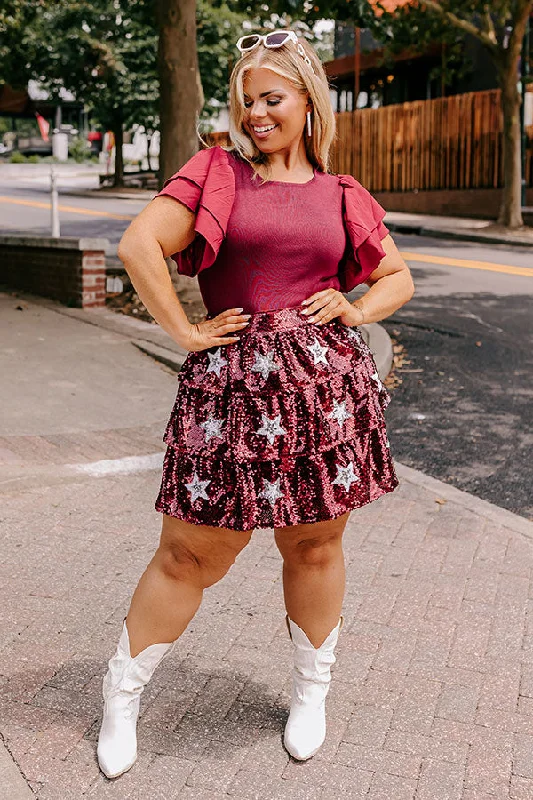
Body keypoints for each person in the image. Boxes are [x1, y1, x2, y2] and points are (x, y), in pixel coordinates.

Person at [96, 29, 414, 779]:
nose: (255, 114)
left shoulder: (343, 193)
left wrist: (358, 309)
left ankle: (311, 691)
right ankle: (123, 693)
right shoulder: (216, 173)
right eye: (244, 101)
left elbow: (395, 276)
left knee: (313, 545)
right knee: (188, 552)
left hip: (324, 400)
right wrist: (183, 331)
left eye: (271, 98)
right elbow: (140, 244)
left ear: (308, 101)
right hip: (228, 395)